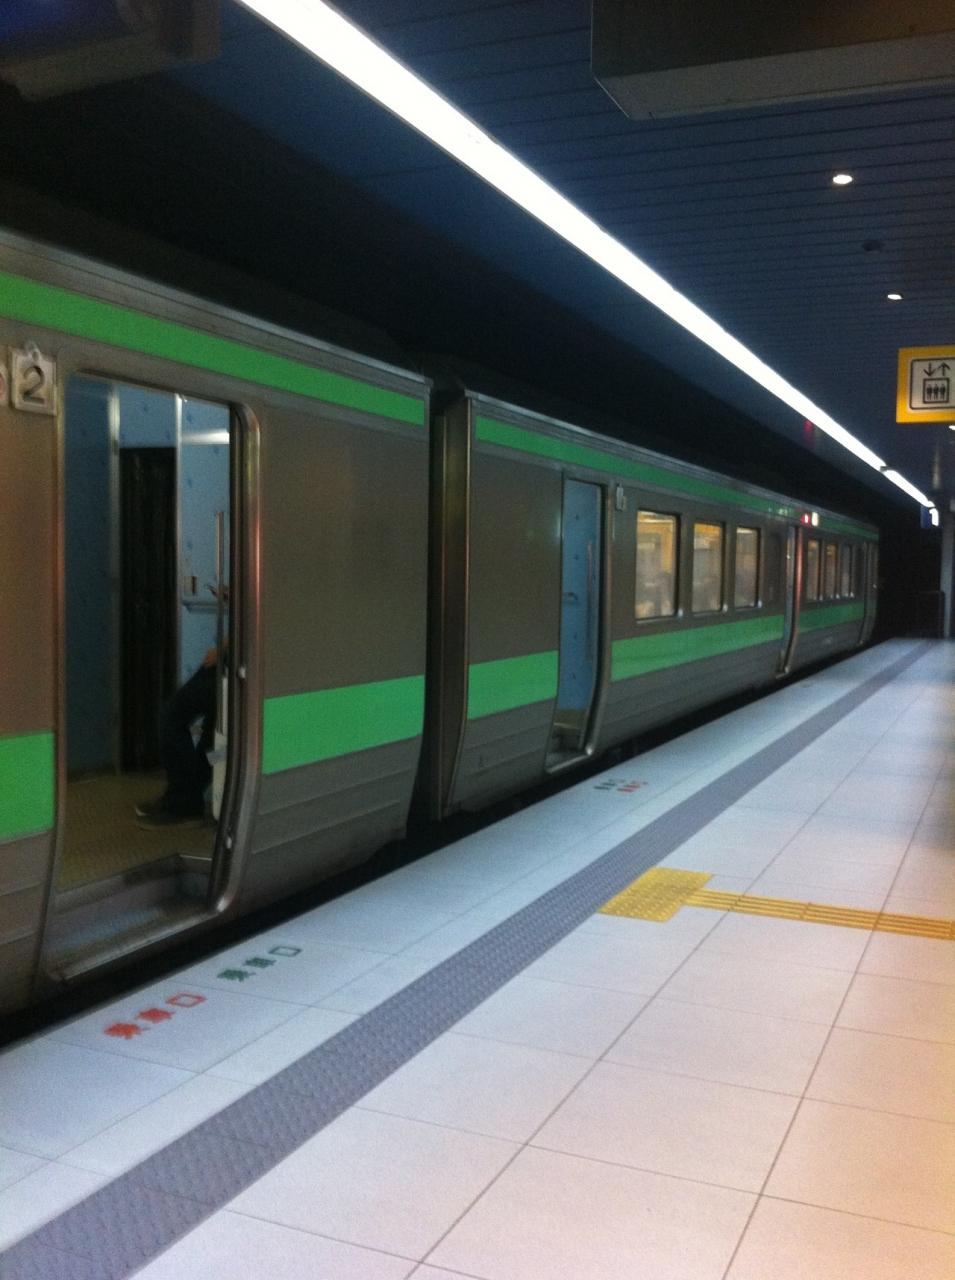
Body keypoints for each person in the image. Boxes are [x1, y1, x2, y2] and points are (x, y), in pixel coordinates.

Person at [136, 643, 219, 828]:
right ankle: (187, 797)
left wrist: (224, 648)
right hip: (240, 661)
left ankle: (182, 801)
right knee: (213, 736)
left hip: (234, 659)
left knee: (173, 717)